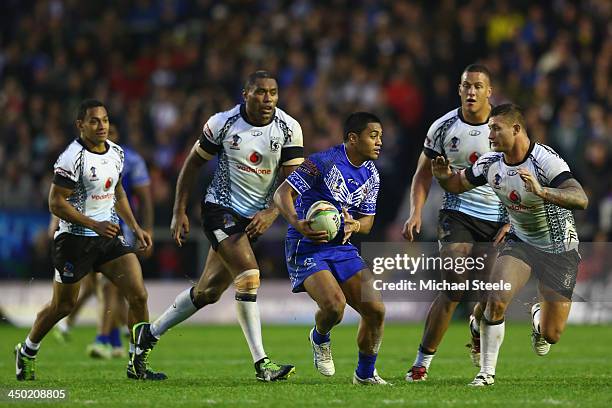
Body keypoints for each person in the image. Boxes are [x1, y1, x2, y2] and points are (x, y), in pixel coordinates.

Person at [145, 71, 301, 381]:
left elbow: (294, 180)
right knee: (249, 277)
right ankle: (262, 364)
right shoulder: (223, 123)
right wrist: (179, 211)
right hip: (220, 209)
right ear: (246, 93)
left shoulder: (289, 128)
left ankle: (147, 337)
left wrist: (272, 213)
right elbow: (191, 164)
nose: (267, 98)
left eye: (273, 92)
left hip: (254, 218)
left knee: (207, 292)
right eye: (260, 92)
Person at [431, 103, 588, 386]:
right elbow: (457, 185)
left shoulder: (545, 160)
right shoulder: (490, 163)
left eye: (495, 128)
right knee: (497, 297)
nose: (489, 135)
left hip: (560, 247)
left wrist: (542, 191)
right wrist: (443, 177)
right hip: (521, 242)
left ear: (516, 130)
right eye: (489, 128)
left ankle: (538, 315)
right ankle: (486, 373)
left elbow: (580, 199)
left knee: (552, 334)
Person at [14, 99, 165, 381]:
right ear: (80, 125)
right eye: (94, 121)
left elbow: (118, 192)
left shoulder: (117, 153)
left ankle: (137, 363)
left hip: (109, 238)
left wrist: (136, 226)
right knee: (64, 306)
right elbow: (55, 204)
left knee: (138, 294)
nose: (101, 126)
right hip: (74, 240)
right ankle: (27, 350)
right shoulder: (72, 158)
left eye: (105, 120)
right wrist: (94, 223)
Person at [401, 64, 510, 381]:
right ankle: (421, 364)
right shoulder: (443, 127)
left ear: (489, 91)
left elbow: (519, 171)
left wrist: (514, 221)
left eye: (478, 86)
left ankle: (477, 323)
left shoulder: (503, 126)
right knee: (454, 283)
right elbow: (422, 174)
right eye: (466, 86)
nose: (472, 91)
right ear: (459, 90)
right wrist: (416, 211)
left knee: (490, 297)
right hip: (457, 213)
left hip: (498, 218)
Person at [273, 112, 388, 385]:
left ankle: (365, 374)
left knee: (376, 310)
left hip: (343, 248)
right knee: (335, 307)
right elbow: (282, 194)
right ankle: (320, 336)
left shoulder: (371, 173)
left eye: (380, 137)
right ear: (352, 138)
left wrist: (354, 227)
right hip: (308, 246)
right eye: (373, 136)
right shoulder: (322, 162)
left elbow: (368, 221)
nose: (379, 142)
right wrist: (298, 223)